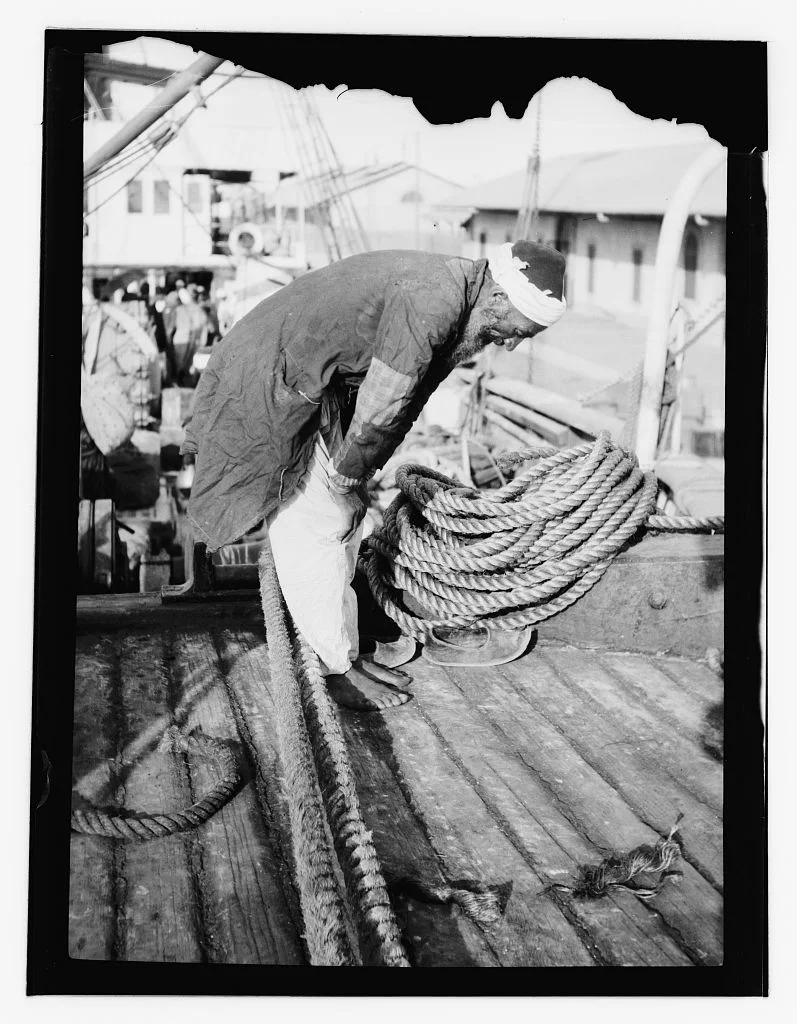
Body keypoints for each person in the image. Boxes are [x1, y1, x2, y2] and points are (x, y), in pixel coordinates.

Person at [183, 242, 566, 711]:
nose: (509, 344)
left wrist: (356, 474)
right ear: (500, 298)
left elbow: (411, 397)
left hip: (308, 380)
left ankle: (343, 650)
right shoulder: (434, 300)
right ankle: (331, 669)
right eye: (515, 331)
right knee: (316, 521)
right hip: (266, 380)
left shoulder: (458, 295)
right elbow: (386, 401)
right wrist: (348, 472)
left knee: (343, 513)